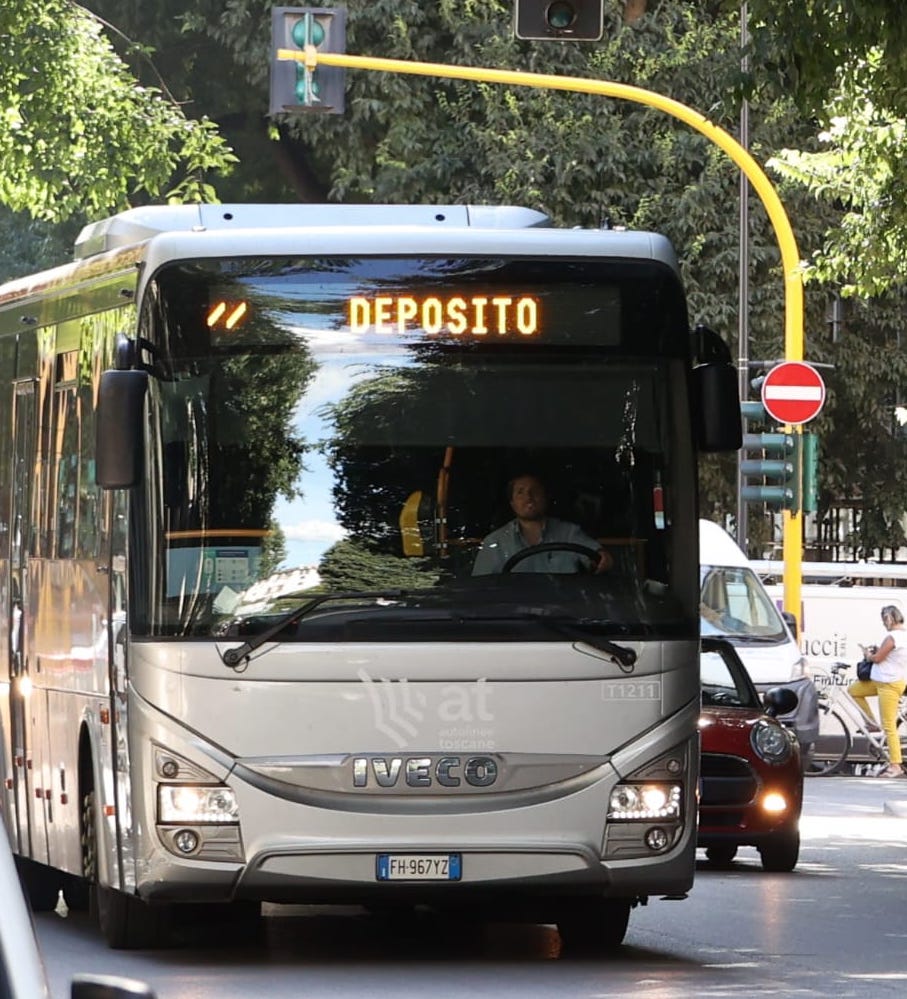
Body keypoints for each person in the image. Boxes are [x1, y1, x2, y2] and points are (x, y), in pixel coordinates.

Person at [472, 473, 613, 576]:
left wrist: (603, 558)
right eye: (520, 492)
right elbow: (481, 588)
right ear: (512, 504)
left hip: (565, 606)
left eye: (535, 490)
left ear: (545, 497)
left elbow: (598, 557)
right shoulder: (495, 542)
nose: (529, 496)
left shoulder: (569, 532)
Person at [848, 605, 907, 778]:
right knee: (854, 690)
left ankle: (895, 765)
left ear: (889, 618)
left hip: (888, 684)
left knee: (889, 726)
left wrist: (868, 654)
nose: (883, 624)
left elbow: (878, 658)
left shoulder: (892, 637)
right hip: (881, 681)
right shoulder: (903, 635)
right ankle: (872, 723)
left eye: (884, 620)